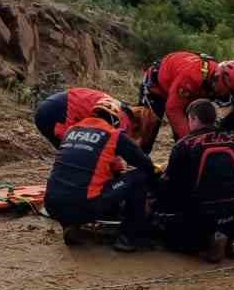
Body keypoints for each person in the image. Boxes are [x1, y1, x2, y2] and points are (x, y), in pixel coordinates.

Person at [43, 96, 159, 253]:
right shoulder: (113, 134)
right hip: (85, 204)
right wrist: (157, 183)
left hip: (52, 204)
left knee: (79, 180)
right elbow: (144, 163)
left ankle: (72, 225)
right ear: (116, 120)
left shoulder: (72, 130)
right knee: (138, 177)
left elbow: (88, 160)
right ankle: (129, 238)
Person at [156, 99, 234, 260]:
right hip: (233, 209)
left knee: (167, 235)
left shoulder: (184, 145)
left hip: (201, 211)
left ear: (193, 119)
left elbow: (170, 186)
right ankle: (229, 238)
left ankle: (206, 242)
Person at [139, 53, 234, 147]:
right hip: (156, 87)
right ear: (218, 79)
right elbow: (173, 110)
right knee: (147, 132)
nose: (226, 94)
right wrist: (192, 141)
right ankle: (138, 163)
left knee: (186, 135)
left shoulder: (214, 78)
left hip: (180, 87)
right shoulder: (192, 78)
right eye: (227, 90)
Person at [34, 87, 139, 149]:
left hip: (46, 108)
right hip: (59, 111)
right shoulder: (123, 117)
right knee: (76, 151)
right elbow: (112, 142)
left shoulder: (111, 103)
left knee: (70, 153)